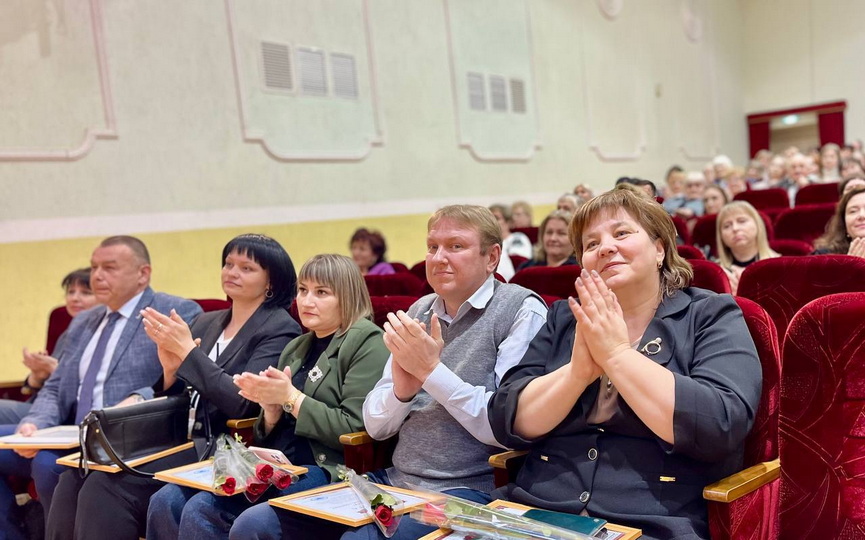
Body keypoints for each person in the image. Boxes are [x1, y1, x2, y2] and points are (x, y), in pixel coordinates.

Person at [232, 205, 548, 540]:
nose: (439, 257)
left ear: (492, 257)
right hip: (393, 480)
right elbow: (376, 426)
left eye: (455, 246)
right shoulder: (419, 310)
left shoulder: (520, 309)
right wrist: (402, 391)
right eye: (432, 247)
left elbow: (505, 428)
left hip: (469, 490)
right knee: (255, 525)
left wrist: (431, 373)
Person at [488, 189, 762, 540]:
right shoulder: (564, 318)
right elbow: (506, 417)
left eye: (621, 234)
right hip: (536, 511)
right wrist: (576, 375)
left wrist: (617, 354)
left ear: (660, 249)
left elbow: (720, 425)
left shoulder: (711, 314)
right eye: (590, 244)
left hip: (651, 522)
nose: (604, 248)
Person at [45, 234, 301, 540]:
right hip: (180, 438)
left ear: (271, 282)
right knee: (76, 474)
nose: (231, 272)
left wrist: (188, 354)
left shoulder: (279, 328)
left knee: (108, 488)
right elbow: (178, 397)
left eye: (246, 268)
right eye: (229, 264)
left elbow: (244, 404)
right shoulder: (207, 322)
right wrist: (169, 371)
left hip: (225, 447)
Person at [147, 254, 390, 540]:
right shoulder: (298, 346)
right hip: (276, 463)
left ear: (347, 296)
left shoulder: (367, 342)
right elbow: (268, 434)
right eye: (302, 290)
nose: (306, 300)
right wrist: (271, 410)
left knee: (211, 510)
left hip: (326, 468)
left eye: (321, 292)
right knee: (167, 499)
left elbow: (352, 427)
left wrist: (291, 398)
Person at [0, 236, 202, 540]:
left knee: (47, 464)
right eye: (94, 267)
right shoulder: (83, 322)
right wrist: (34, 423)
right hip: (68, 432)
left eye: (109, 267)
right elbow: (55, 388)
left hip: (121, 437)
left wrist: (138, 398)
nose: (97, 275)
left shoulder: (173, 312)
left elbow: (179, 382)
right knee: (35, 448)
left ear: (142, 274)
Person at [0, 269, 98, 424]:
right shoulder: (68, 333)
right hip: (39, 405)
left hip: (65, 412)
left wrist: (55, 370)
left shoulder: (101, 333)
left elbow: (95, 387)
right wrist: (37, 375)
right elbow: (34, 389)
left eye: (85, 293)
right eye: (70, 292)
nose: (74, 298)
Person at [716, 201, 779, 294]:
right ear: (721, 236)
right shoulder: (716, 273)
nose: (735, 228)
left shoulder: (779, 265)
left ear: (758, 225)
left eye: (741, 221)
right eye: (727, 226)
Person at [813, 188, 865, 258]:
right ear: (844, 223)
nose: (861, 215)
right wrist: (850, 266)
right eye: (853, 211)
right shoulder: (823, 257)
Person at [489, 204, 533, 280]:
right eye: (489, 218)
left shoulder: (518, 237)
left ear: (508, 222)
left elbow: (520, 263)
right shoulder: (486, 242)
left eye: (496, 218)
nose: (492, 222)